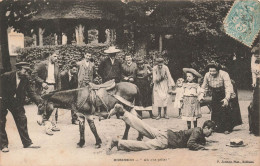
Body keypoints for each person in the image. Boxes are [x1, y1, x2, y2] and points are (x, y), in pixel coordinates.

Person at [106, 104, 215, 154]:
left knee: (142, 126)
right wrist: (202, 148)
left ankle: (123, 112)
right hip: (166, 141)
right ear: (206, 127)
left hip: (165, 133)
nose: (211, 133)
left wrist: (204, 142)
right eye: (211, 130)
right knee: (145, 146)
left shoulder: (198, 131)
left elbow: (198, 139)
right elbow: (191, 144)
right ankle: (117, 142)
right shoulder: (197, 131)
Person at [0, 62, 44, 152]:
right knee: (1, 121)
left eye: (28, 71)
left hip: (16, 102)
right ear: (18, 70)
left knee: (22, 119)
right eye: (25, 71)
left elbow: (31, 92)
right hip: (3, 100)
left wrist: (39, 101)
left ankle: (27, 143)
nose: (27, 73)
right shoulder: (6, 76)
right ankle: (3, 145)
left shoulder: (25, 79)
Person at [200, 61, 239, 134]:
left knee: (225, 109)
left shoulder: (224, 74)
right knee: (215, 108)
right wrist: (201, 95)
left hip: (224, 91)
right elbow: (204, 86)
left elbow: (228, 87)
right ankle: (215, 126)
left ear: (218, 70)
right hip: (215, 92)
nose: (212, 73)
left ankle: (227, 128)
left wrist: (227, 98)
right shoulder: (207, 75)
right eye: (210, 71)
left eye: (214, 71)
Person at [32, 50, 61, 135]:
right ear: (50, 55)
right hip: (46, 87)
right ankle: (47, 128)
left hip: (54, 87)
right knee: (47, 107)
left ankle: (53, 125)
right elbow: (34, 74)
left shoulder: (57, 65)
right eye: (55, 56)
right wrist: (42, 82)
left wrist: (59, 90)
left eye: (57, 57)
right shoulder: (42, 64)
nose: (56, 58)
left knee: (54, 107)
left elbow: (58, 78)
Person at [248, 45, 260, 136]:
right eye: (256, 55)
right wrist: (254, 82)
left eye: (259, 55)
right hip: (258, 84)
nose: (257, 57)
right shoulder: (253, 60)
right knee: (256, 105)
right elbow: (253, 73)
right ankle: (256, 129)